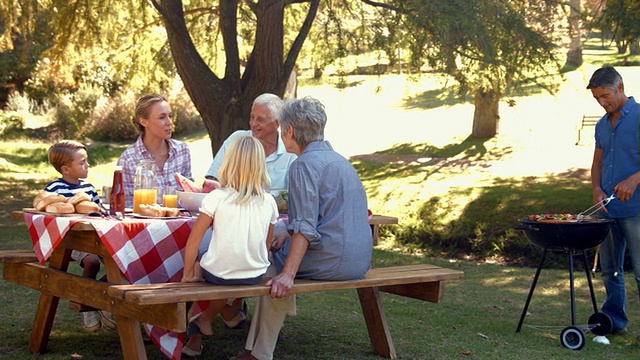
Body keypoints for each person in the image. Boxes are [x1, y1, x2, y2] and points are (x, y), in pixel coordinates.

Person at [233, 97, 373, 360]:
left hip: (333, 261)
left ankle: (258, 351)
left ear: (289, 131)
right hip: (360, 260)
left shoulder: (302, 165)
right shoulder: (341, 161)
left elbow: (306, 228)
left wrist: (287, 274)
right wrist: (286, 232)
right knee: (277, 249)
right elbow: (325, 216)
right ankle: (257, 346)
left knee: (268, 263)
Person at [203, 93, 297, 328]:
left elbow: (294, 201)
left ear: (277, 124)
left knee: (253, 249)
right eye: (252, 117)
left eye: (260, 119)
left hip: (271, 221)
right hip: (231, 215)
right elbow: (211, 180)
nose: (253, 124)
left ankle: (221, 311)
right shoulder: (239, 139)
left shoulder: (290, 154)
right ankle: (221, 311)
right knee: (211, 246)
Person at [181, 136, 279, 357]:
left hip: (219, 275)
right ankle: (212, 317)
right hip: (255, 274)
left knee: (202, 259)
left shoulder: (217, 197)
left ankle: (199, 319)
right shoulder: (270, 201)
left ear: (229, 162)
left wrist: (188, 274)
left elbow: (193, 241)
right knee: (224, 261)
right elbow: (264, 244)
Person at [587, 65, 640, 335]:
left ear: (620, 88)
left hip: (636, 211)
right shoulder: (601, 124)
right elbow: (597, 163)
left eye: (605, 96)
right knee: (610, 271)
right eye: (597, 98)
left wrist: (633, 179)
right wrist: (596, 189)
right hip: (608, 210)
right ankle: (615, 321)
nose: (602, 102)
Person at [45, 140, 116, 332]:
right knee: (92, 261)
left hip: (93, 238)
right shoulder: (54, 190)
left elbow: (96, 212)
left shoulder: (89, 188)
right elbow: (48, 217)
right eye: (82, 162)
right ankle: (87, 306)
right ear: (66, 169)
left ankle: (99, 301)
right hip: (68, 240)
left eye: (87, 161)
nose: (88, 166)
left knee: (118, 261)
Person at [117, 94, 193, 208]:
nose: (169, 122)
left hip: (182, 222)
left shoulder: (182, 150)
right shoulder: (128, 159)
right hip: (146, 224)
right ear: (144, 122)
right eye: (162, 117)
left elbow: (190, 194)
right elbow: (126, 206)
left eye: (170, 116)